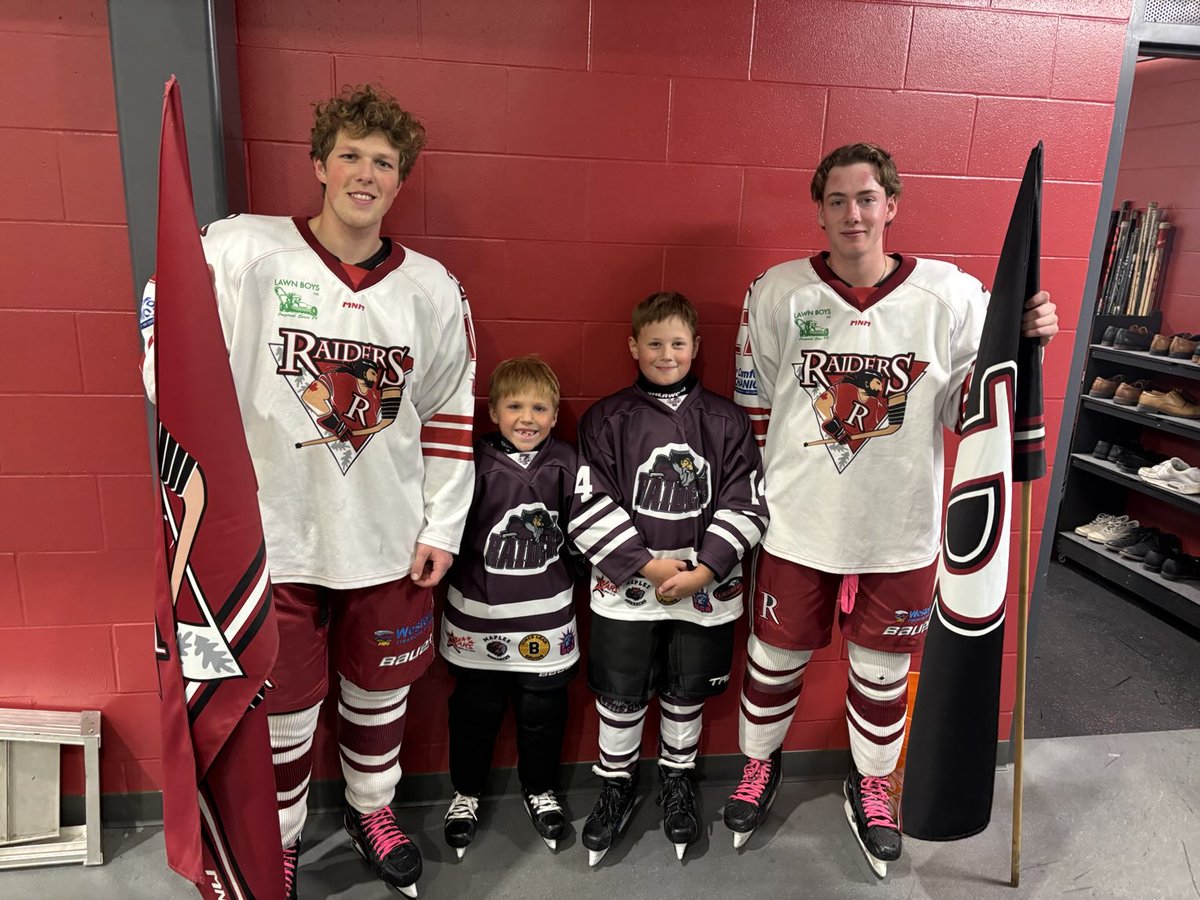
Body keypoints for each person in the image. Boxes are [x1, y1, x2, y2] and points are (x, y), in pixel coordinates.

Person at [141, 84, 477, 899]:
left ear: (402, 180)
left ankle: (372, 811)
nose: (366, 174)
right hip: (273, 538)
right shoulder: (239, 250)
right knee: (282, 708)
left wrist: (443, 525)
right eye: (351, 155)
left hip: (388, 536)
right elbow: (163, 339)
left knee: (380, 692)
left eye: (384, 163)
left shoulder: (434, 287)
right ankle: (281, 839)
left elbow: (449, 411)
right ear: (320, 164)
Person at [724, 143, 1058, 876]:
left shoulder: (951, 295)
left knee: (881, 671)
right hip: (799, 522)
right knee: (773, 659)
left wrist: (1021, 340)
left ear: (892, 205)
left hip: (900, 526)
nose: (853, 213)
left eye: (867, 198)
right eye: (837, 200)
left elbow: (969, 409)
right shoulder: (776, 292)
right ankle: (759, 766)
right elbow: (757, 410)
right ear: (819, 211)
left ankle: (872, 783)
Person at [568, 291, 769, 864]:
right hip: (630, 586)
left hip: (704, 588)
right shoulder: (606, 419)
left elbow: (746, 501)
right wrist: (649, 565)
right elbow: (588, 503)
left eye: (677, 343)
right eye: (654, 343)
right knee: (620, 692)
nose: (666, 353)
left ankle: (678, 779)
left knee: (686, 691)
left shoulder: (727, 420)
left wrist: (705, 569)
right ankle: (617, 782)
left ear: (696, 347)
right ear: (633, 346)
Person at [438, 355, 581, 858]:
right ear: (493, 411)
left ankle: (540, 789)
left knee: (543, 711)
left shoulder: (568, 462)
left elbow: (585, 532)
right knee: (474, 711)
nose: (527, 418)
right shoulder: (469, 462)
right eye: (515, 406)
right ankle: (466, 793)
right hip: (478, 616)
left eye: (539, 408)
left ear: (555, 414)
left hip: (547, 616)